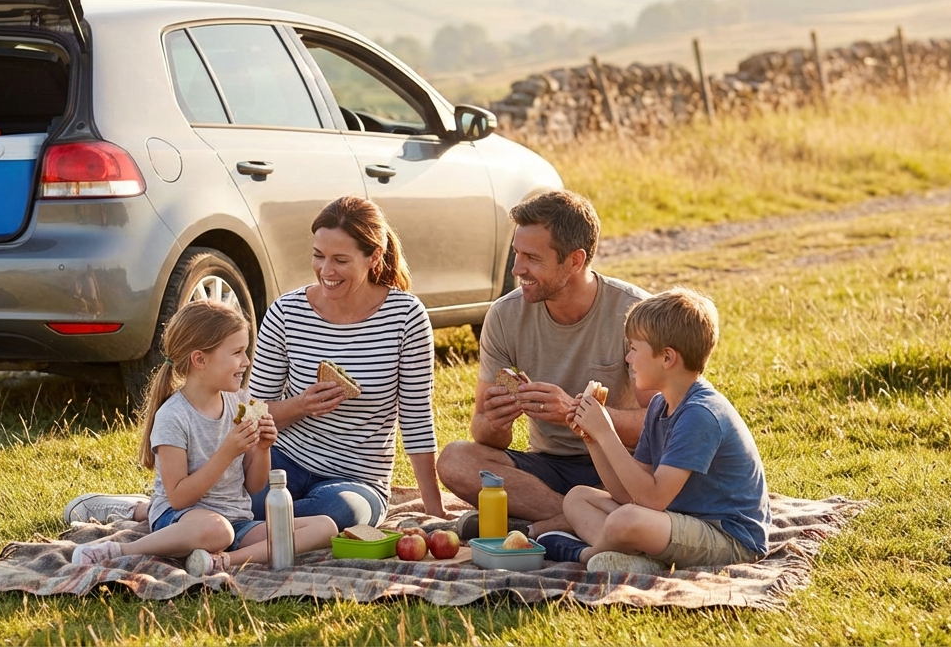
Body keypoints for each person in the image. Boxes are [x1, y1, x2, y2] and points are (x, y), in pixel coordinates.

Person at [67, 299, 337, 576]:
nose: (246, 362)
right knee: (216, 531)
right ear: (200, 360)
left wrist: (265, 447)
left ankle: (223, 562)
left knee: (324, 526)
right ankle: (118, 550)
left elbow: (255, 486)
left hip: (237, 523)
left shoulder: (241, 403)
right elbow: (179, 498)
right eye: (237, 352)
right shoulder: (173, 416)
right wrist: (227, 451)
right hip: (180, 518)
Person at [436, 189, 650, 538]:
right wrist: (496, 421)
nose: (517, 268)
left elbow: (661, 424)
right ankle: (575, 519)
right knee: (456, 460)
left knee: (670, 478)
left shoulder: (634, 314)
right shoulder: (505, 315)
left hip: (618, 465)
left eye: (532, 258)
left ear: (575, 261)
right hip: (545, 467)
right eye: (516, 253)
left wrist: (575, 411)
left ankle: (540, 523)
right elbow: (483, 434)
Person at [540, 288, 770, 573]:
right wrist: (593, 439)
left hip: (729, 538)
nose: (629, 359)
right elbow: (629, 494)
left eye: (634, 349)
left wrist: (607, 433)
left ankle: (585, 555)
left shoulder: (700, 413)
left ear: (667, 358)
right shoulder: (660, 405)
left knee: (626, 521)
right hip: (675, 521)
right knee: (578, 498)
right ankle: (638, 558)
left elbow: (651, 499)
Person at [247, 196, 444, 529]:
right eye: (318, 256)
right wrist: (300, 405)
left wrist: (434, 511)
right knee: (238, 495)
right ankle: (264, 525)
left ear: (374, 258)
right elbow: (251, 412)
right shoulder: (286, 313)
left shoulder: (406, 317)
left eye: (340, 260)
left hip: (356, 481)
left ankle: (245, 527)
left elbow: (416, 419)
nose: (326, 271)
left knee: (341, 513)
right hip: (282, 462)